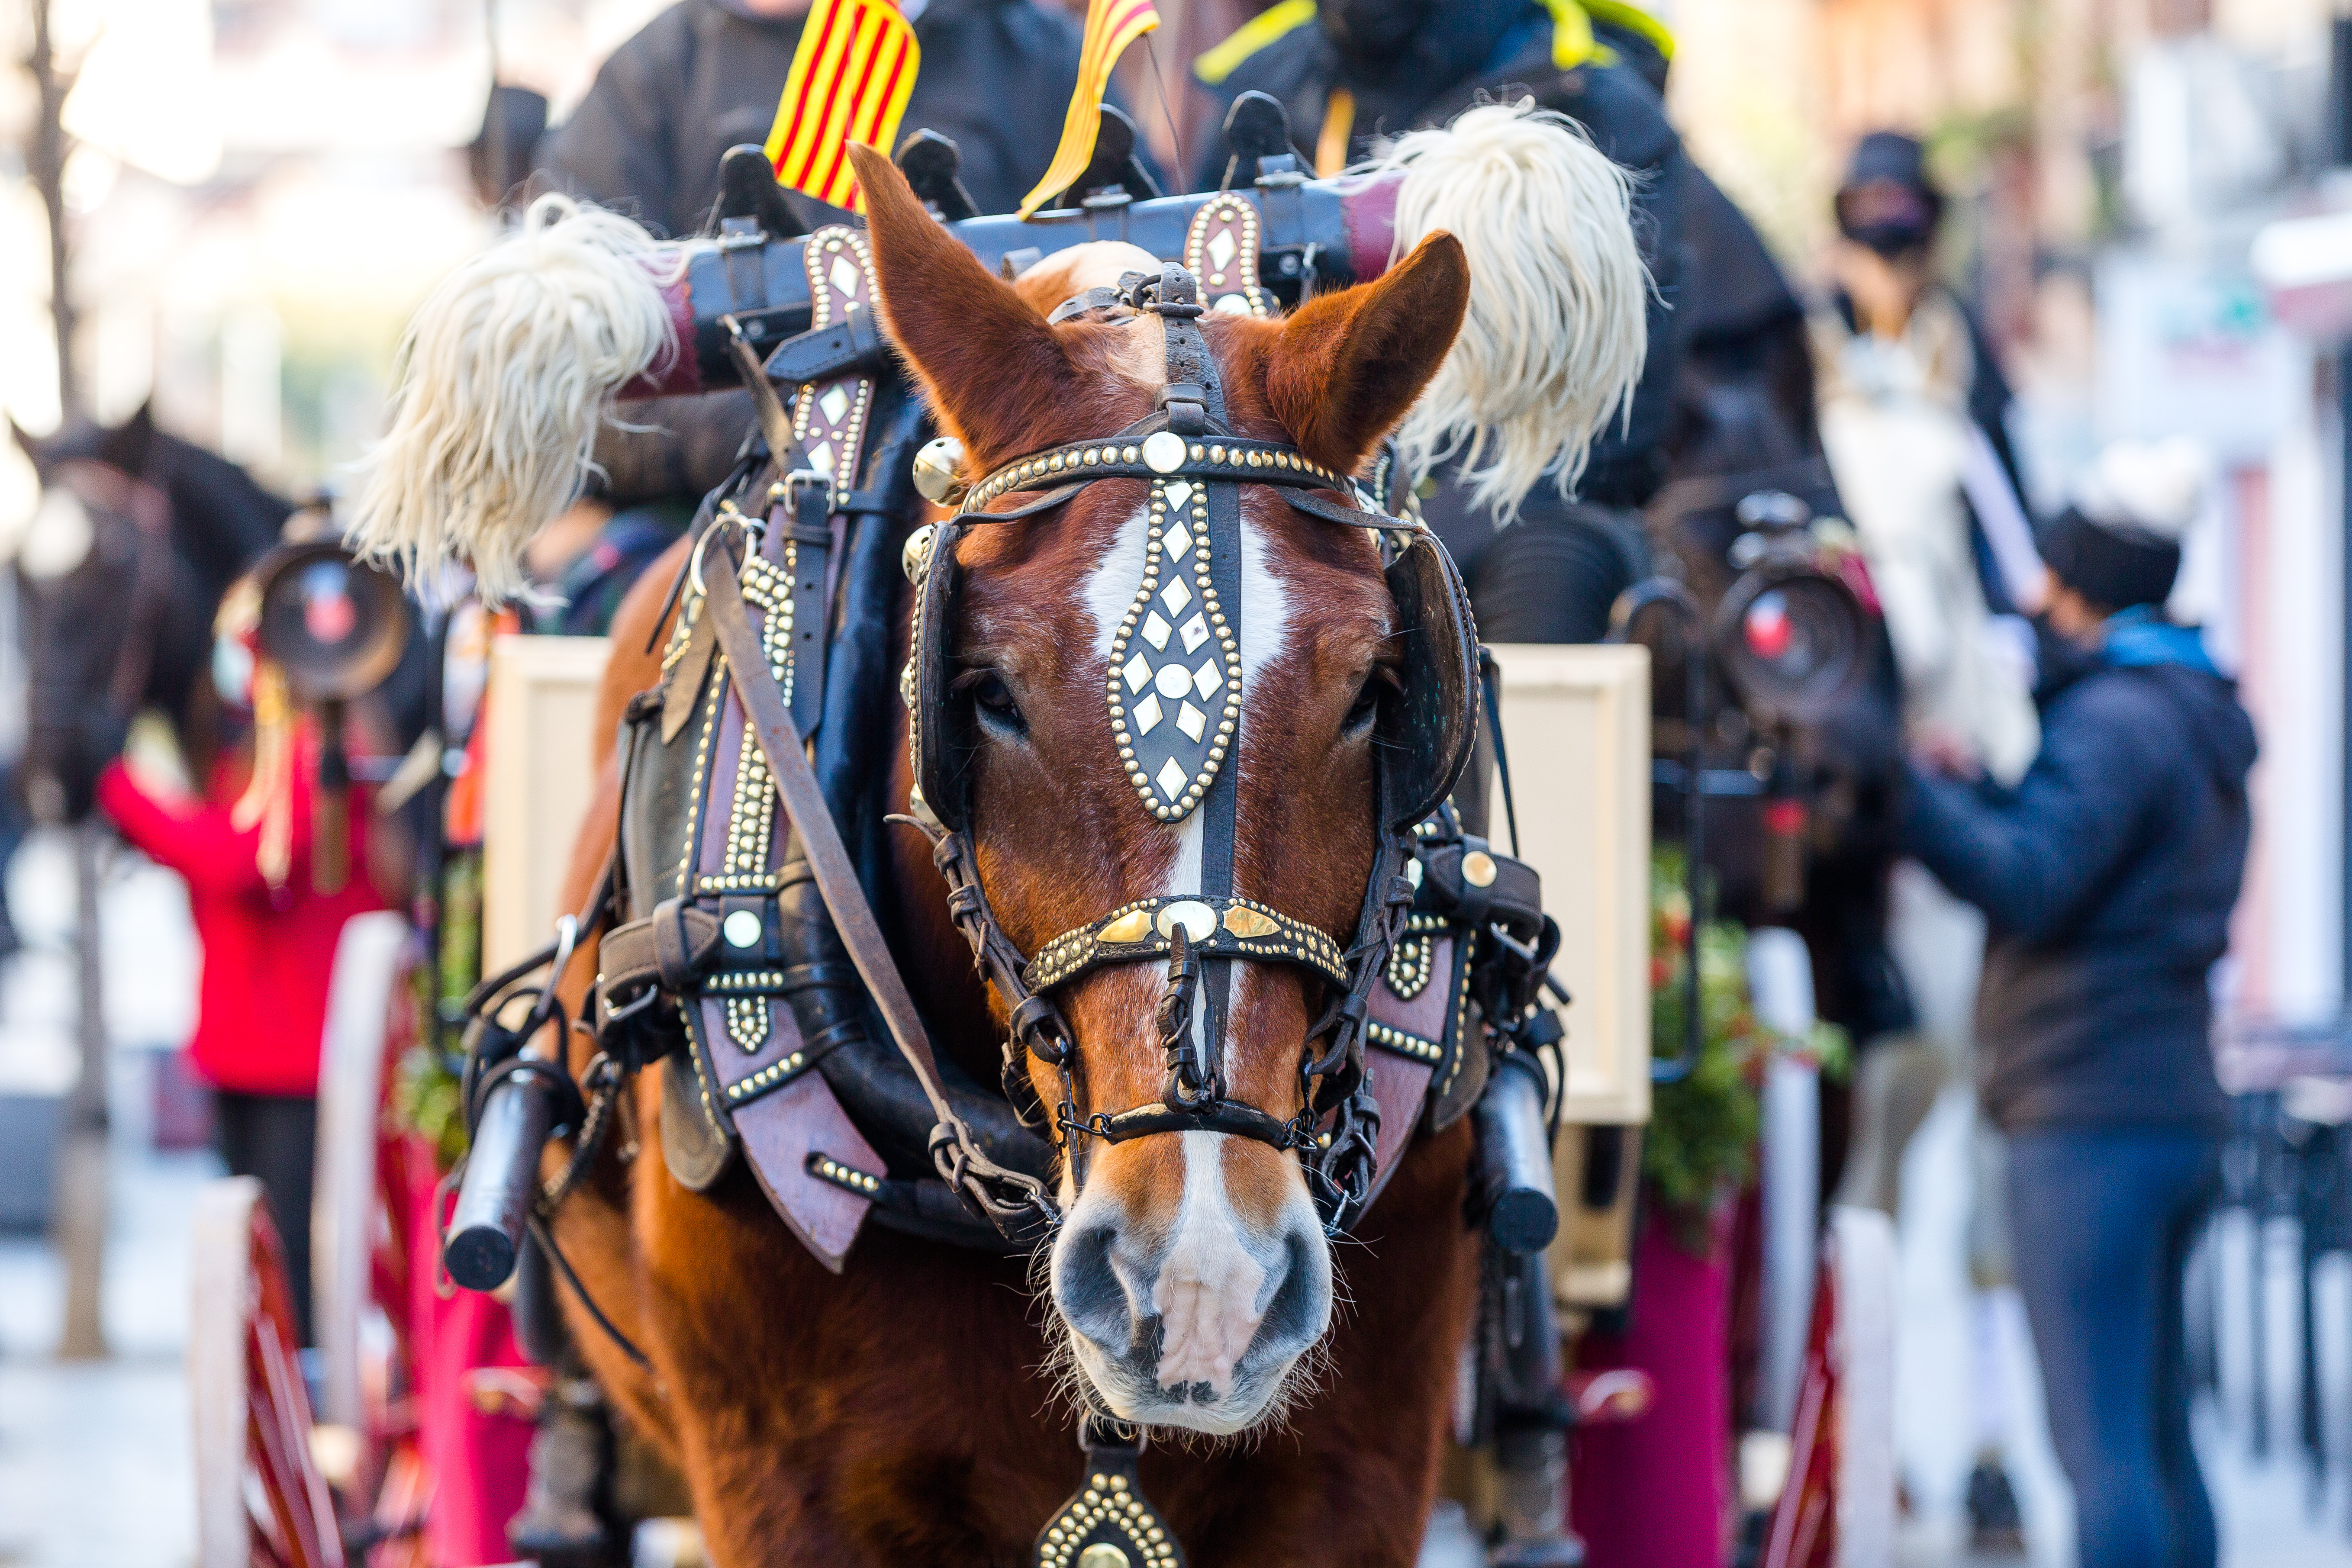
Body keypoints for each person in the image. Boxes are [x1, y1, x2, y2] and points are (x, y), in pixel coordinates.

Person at [1899, 438, 2252, 1568]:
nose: (2034, 596)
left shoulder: (2117, 722)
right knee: (2155, 1437)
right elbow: (2078, 854)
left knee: (2098, 1452)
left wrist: (1903, 790)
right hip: (2166, 1108)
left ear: (2089, 585)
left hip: (2087, 1123)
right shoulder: (2185, 712)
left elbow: (2030, 876)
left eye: (2052, 576)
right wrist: (1984, 793)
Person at [96, 581, 388, 1346]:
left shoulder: (323, 751)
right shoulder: (261, 757)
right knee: (259, 1244)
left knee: (289, 1245)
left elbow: (237, 864)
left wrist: (120, 787)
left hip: (295, 1050)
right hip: (249, 1044)